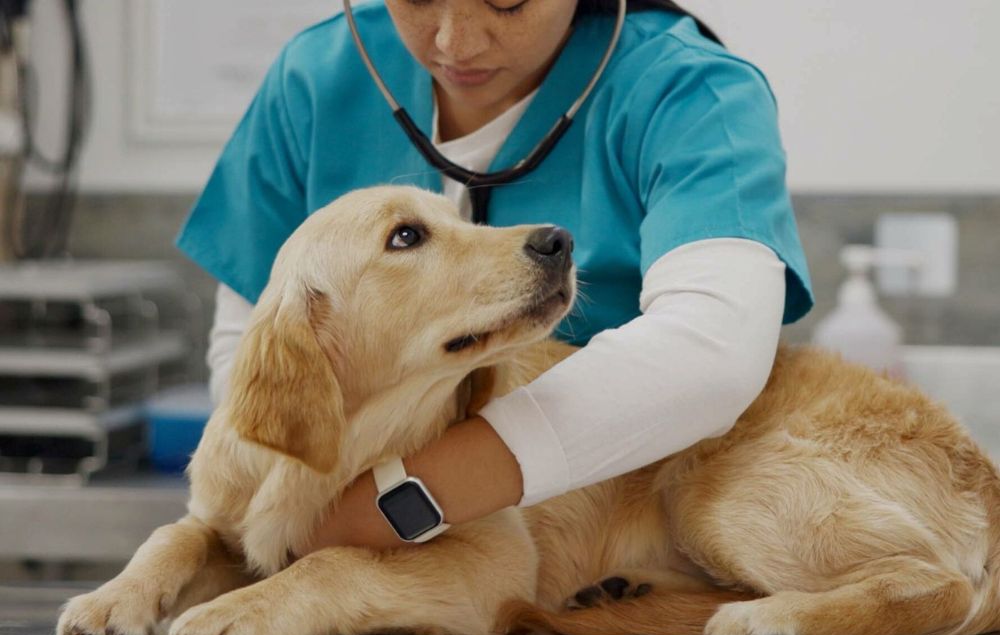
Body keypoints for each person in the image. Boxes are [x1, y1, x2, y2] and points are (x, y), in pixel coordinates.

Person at [176, 0, 813, 552]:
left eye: (508, 0)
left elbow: (713, 353)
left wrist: (402, 505)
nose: (455, 42)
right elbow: (252, 363)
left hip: (604, 524)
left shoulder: (691, 92)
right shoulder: (314, 79)